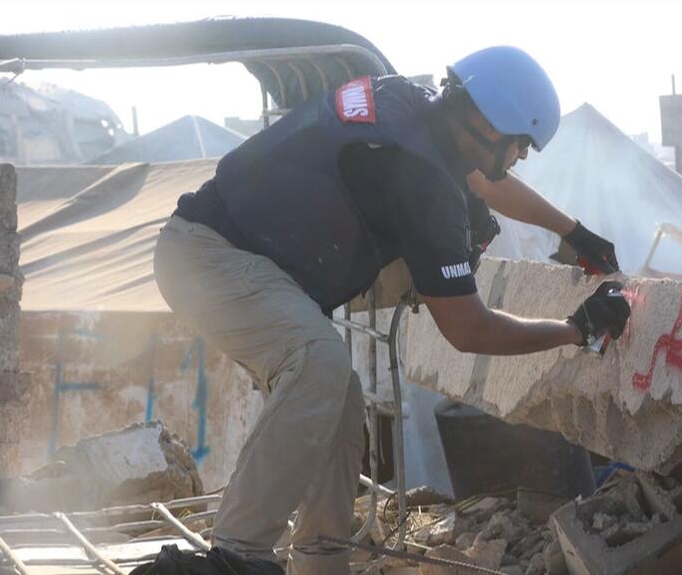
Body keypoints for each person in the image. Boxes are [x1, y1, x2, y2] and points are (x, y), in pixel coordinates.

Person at [152, 45, 630, 575]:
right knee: (319, 362)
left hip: (231, 252)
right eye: (520, 144)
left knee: (339, 397)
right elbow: (469, 328)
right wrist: (574, 328)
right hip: (210, 254)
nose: (519, 157)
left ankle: (321, 561)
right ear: (491, 124)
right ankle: (236, 556)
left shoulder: (415, 107)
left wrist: (572, 231)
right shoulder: (425, 186)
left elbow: (484, 179)